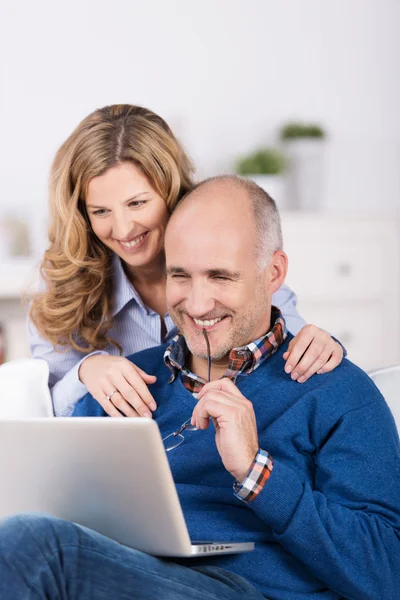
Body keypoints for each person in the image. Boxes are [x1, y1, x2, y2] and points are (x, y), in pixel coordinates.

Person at [3, 176, 399, 599]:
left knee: (35, 548)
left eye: (220, 277)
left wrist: (257, 472)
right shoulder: (128, 382)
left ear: (274, 273)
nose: (196, 304)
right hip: (120, 574)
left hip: (249, 590)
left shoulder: (335, 390)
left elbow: (387, 573)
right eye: (180, 275)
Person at [28, 104, 344, 418]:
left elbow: (298, 347)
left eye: (137, 203)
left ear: (170, 189)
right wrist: (86, 371)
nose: (123, 229)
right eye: (101, 211)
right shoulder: (64, 287)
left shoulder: (228, 251)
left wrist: (320, 345)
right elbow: (41, 413)